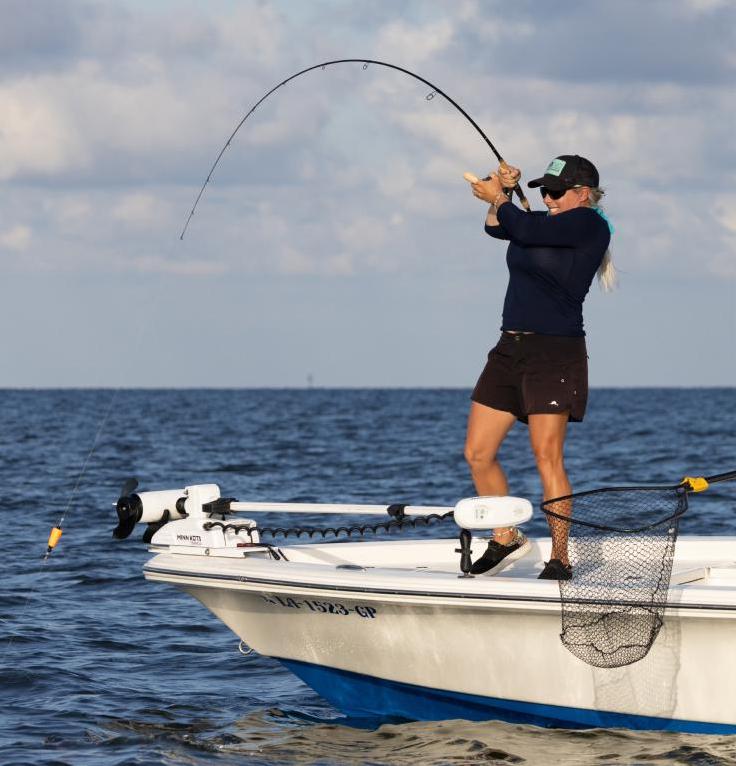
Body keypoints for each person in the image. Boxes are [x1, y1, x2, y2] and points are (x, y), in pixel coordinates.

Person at [464, 155, 614, 579]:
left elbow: (524, 227)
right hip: (509, 349)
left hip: (555, 353)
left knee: (547, 455)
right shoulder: (545, 223)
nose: (546, 198)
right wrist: (503, 194)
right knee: (477, 453)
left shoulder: (589, 224)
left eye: (554, 191)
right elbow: (498, 226)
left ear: (582, 193)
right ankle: (505, 536)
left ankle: (560, 557)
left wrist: (502, 197)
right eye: (542, 191)